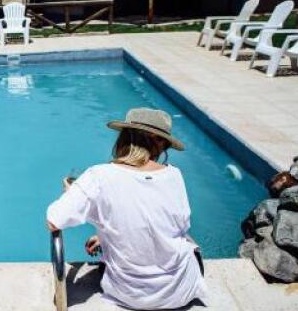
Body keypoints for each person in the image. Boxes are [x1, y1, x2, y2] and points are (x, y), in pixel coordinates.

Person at [47, 108, 208, 309]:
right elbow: (172, 225)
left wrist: (70, 194)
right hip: (180, 291)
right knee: (186, 237)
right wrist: (105, 236)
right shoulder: (174, 175)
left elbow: (54, 220)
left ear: (126, 138)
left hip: (129, 295)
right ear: (160, 143)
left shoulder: (99, 176)